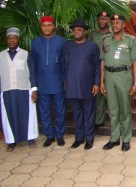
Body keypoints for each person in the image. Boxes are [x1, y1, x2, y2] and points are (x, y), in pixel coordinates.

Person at [101, 14, 136, 152]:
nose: (115, 24)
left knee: (125, 109)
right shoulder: (106, 40)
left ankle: (126, 139)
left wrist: (135, 82)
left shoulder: (130, 40)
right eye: (113, 22)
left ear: (124, 25)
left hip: (124, 76)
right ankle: (114, 138)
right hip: (109, 76)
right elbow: (102, 61)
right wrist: (102, 81)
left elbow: (135, 61)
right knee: (113, 109)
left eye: (118, 22)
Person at [62, 19, 100, 150]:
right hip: (72, 86)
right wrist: (65, 82)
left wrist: (96, 83)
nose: (76, 32)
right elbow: (63, 66)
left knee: (89, 113)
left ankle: (89, 139)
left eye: (79, 30)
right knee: (77, 113)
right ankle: (79, 138)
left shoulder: (92, 46)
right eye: (74, 30)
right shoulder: (67, 46)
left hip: (88, 86)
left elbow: (97, 67)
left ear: (85, 31)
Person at [0, 27, 38, 152]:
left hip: (24, 90)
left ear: (19, 40)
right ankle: (11, 141)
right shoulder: (1, 56)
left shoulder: (26, 54)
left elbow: (32, 73)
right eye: (9, 38)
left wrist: (34, 89)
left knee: (27, 115)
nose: (12, 40)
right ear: (7, 40)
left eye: (14, 38)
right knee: (8, 116)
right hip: (6, 91)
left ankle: (30, 138)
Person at [31, 16, 66, 147]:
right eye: (44, 25)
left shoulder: (62, 42)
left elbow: (65, 63)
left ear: (54, 27)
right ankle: (49, 135)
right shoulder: (35, 42)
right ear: (41, 27)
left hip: (58, 82)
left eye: (49, 25)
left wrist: (65, 81)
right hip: (42, 83)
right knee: (44, 111)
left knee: (60, 110)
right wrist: (34, 86)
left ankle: (59, 135)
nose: (46, 27)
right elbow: (33, 65)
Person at [90, 11, 111, 129]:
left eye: (104, 18)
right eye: (100, 19)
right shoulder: (93, 34)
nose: (102, 21)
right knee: (98, 95)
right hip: (96, 67)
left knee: (111, 93)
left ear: (109, 20)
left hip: (110, 66)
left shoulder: (113, 33)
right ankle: (99, 120)